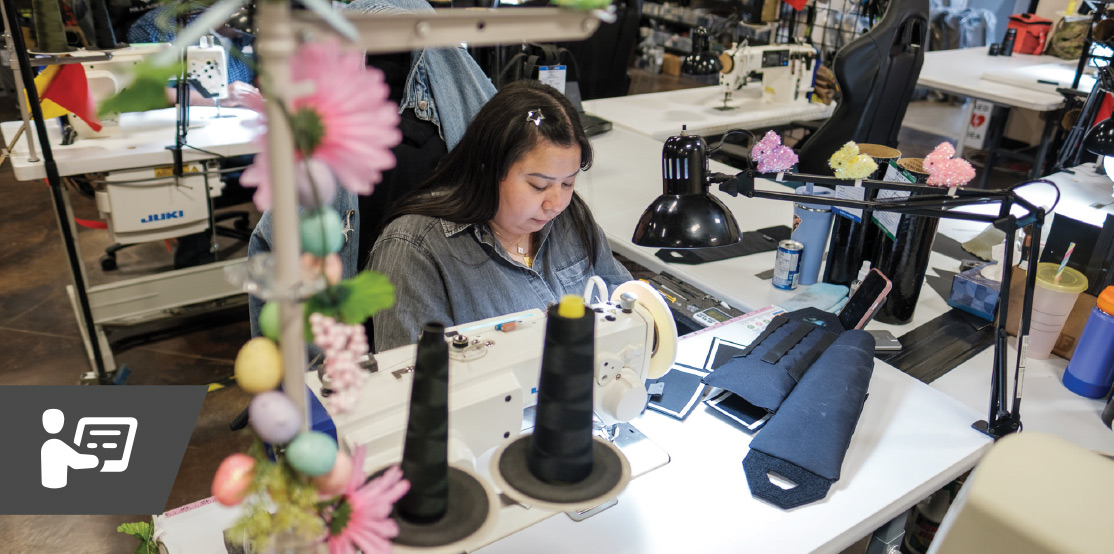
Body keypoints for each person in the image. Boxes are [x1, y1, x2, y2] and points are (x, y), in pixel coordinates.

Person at [369, 79, 632, 352]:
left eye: (568, 183)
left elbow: (624, 298)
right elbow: (415, 384)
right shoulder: (415, 252)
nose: (556, 203)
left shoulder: (570, 217)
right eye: (538, 186)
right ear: (488, 169)